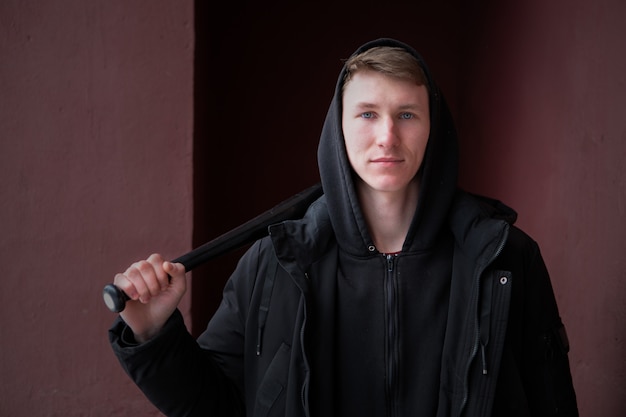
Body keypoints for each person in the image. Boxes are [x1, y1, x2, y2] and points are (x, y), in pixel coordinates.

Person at [108, 38, 579, 416]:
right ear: (339, 128)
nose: (387, 136)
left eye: (407, 115)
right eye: (368, 114)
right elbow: (219, 406)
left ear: (434, 128)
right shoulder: (276, 264)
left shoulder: (502, 258)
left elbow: (551, 401)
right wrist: (154, 335)